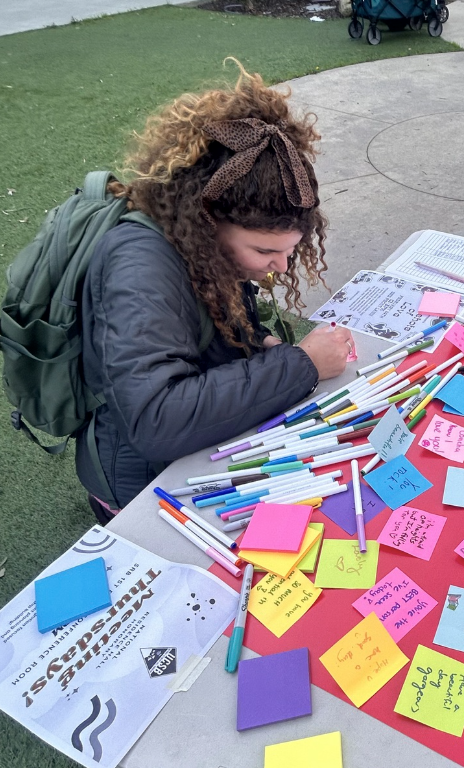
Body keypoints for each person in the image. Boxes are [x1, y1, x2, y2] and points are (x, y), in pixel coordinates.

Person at [77, 69, 354, 518]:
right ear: (206, 220)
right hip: (142, 484)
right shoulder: (139, 269)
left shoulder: (200, 244)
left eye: (290, 250)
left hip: (198, 453)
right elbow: (154, 420)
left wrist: (259, 343)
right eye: (265, 251)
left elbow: (206, 326)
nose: (282, 267)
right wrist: (299, 365)